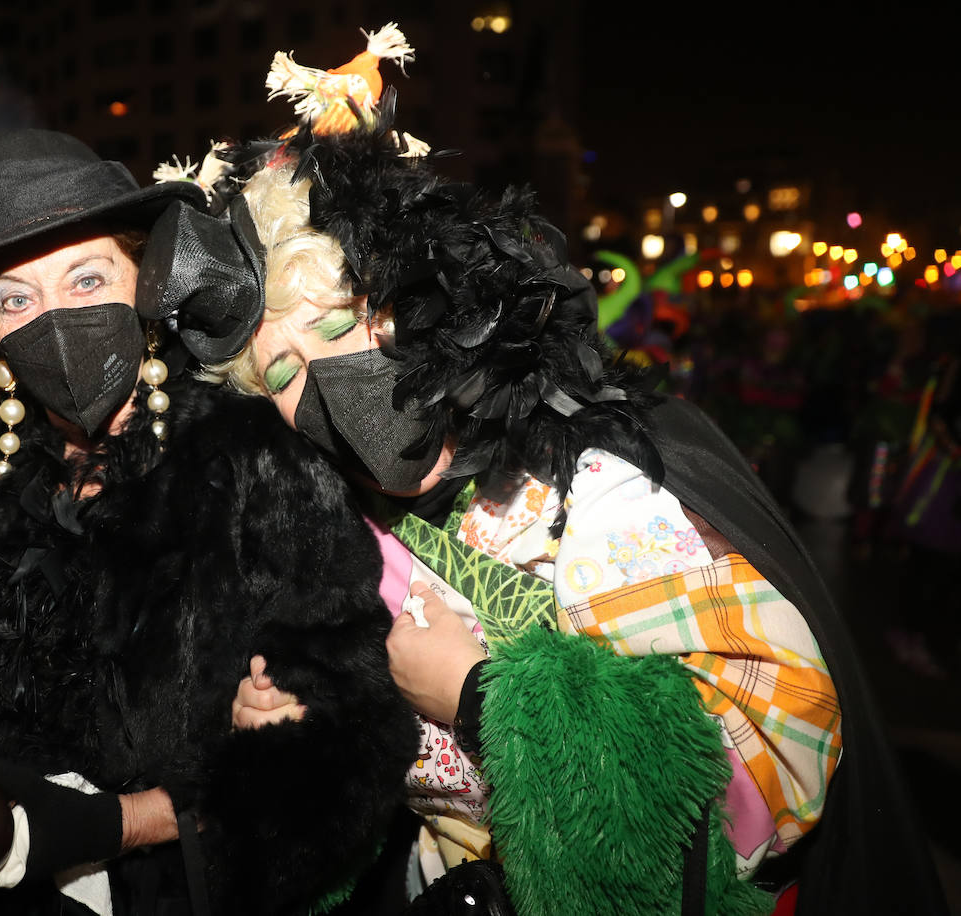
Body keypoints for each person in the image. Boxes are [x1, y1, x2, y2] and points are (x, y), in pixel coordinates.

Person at [191, 26, 946, 915]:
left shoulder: (597, 484)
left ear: (417, 298)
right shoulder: (341, 536)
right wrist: (299, 742)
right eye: (281, 372)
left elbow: (772, 768)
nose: (326, 377)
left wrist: (483, 697)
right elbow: (364, 833)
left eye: (341, 322)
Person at [0, 129, 417, 915]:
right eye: (16, 298)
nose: (53, 318)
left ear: (146, 288)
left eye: (87, 279)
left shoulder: (253, 463)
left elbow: (355, 744)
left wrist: (117, 824)